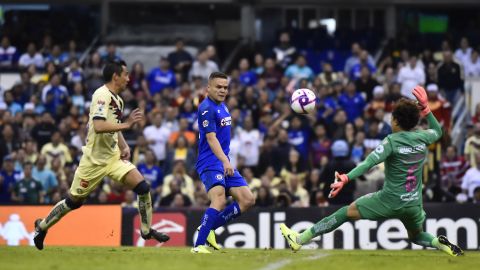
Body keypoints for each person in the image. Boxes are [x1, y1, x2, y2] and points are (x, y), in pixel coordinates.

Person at [280, 86, 464, 257]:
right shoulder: (423, 137)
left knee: (345, 212)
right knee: (417, 236)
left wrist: (345, 177)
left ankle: (299, 239)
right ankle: (438, 243)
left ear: (396, 121)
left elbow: (368, 164)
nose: (390, 120)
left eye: (392, 117)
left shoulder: (391, 141)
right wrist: (426, 110)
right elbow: (438, 131)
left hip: (390, 200)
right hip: (414, 202)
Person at [33, 60, 169, 250]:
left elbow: (113, 125)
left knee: (143, 187)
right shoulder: (101, 95)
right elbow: (98, 126)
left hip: (113, 158)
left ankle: (146, 231)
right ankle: (42, 227)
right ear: (116, 76)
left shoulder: (118, 99)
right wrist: (127, 124)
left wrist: (123, 145)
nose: (128, 78)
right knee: (74, 202)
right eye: (126, 74)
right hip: (93, 161)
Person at [191, 72, 255, 253]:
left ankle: (207, 229)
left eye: (225, 87)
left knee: (247, 199)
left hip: (223, 161)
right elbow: (211, 139)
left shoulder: (223, 106)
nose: (222, 90)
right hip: (210, 162)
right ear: (208, 88)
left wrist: (226, 161)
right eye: (218, 87)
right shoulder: (206, 108)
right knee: (218, 200)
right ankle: (198, 245)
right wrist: (226, 161)